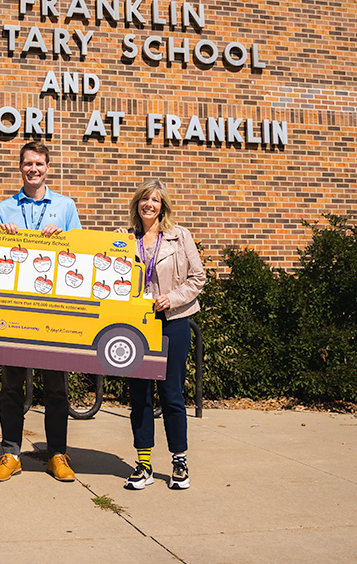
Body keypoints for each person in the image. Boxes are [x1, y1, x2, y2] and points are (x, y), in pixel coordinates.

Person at [0, 141, 82, 483]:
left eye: (39, 164)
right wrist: (1, 237)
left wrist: (64, 238)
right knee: (11, 385)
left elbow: (80, 258)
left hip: (53, 309)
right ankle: (11, 452)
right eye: (28, 164)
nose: (34, 169)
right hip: (14, 307)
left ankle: (57, 453)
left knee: (56, 386)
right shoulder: (4, 208)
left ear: (47, 167)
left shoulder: (65, 206)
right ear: (20, 167)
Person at [117, 179, 205, 490]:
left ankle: (179, 462)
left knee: (171, 394)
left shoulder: (180, 237)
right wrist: (115, 252)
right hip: (137, 326)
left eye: (155, 200)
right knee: (139, 396)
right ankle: (143, 465)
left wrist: (174, 298)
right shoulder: (127, 239)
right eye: (144, 199)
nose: (149, 205)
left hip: (173, 322)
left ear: (162, 205)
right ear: (137, 205)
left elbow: (198, 277)